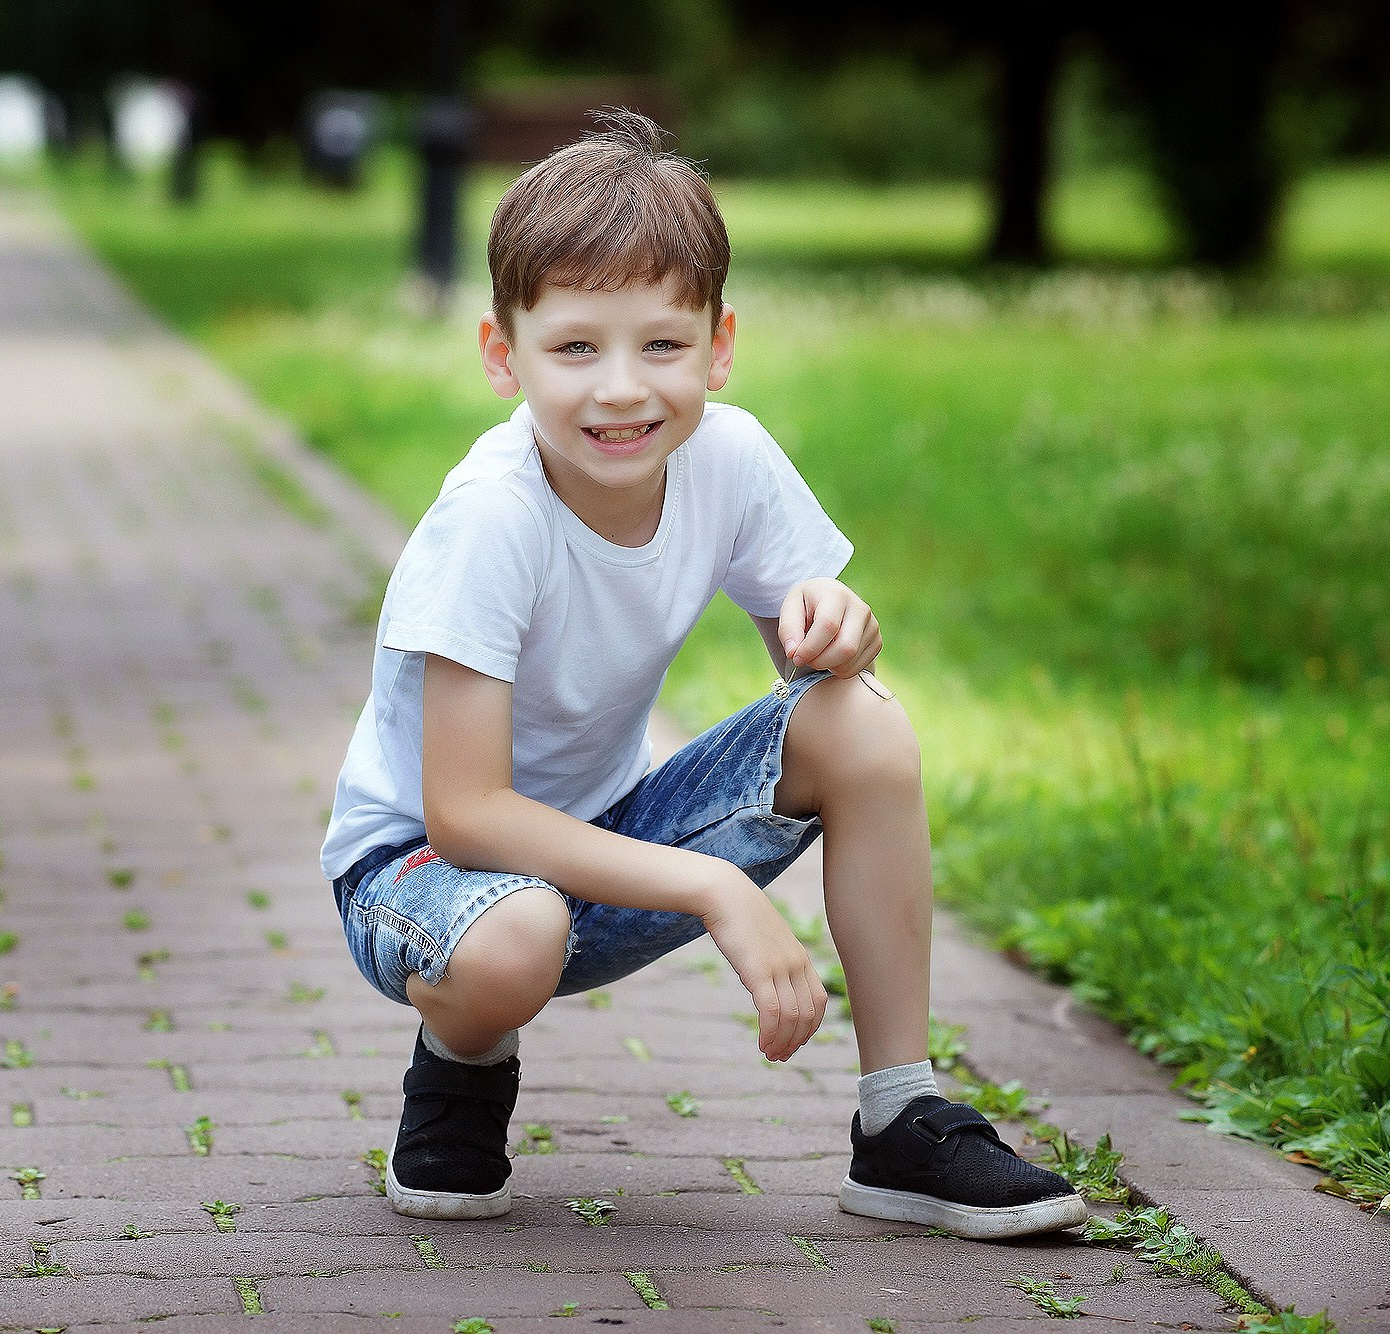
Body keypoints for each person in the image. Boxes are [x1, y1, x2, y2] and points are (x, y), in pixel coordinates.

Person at [322, 108, 1086, 1240]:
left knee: (860, 721)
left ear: (718, 345)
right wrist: (716, 888)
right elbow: (466, 811)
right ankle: (461, 1052)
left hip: (597, 836)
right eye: (575, 347)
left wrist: (834, 629)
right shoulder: (491, 521)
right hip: (426, 877)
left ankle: (901, 1116)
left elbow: (808, 667)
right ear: (502, 353)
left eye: (661, 346)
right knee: (518, 930)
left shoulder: (728, 456)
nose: (621, 390)